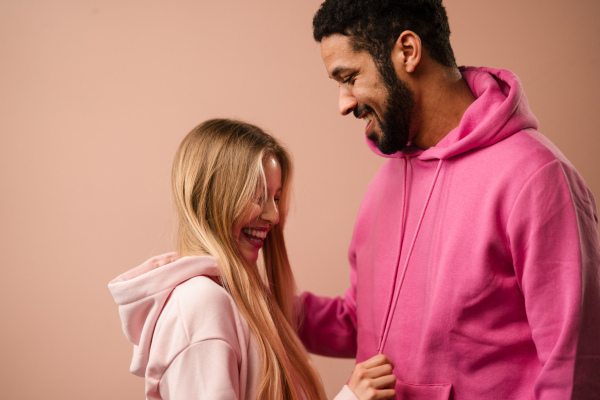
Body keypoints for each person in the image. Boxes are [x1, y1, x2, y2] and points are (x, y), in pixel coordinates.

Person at [296, 0, 600, 398]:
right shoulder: (386, 182)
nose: (344, 103)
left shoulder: (536, 178)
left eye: (349, 77)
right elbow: (363, 325)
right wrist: (256, 294)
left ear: (407, 51)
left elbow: (573, 369)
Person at [108, 119, 396, 400]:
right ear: (213, 198)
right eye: (257, 196)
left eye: (277, 198)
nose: (274, 216)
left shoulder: (243, 297)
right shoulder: (199, 306)